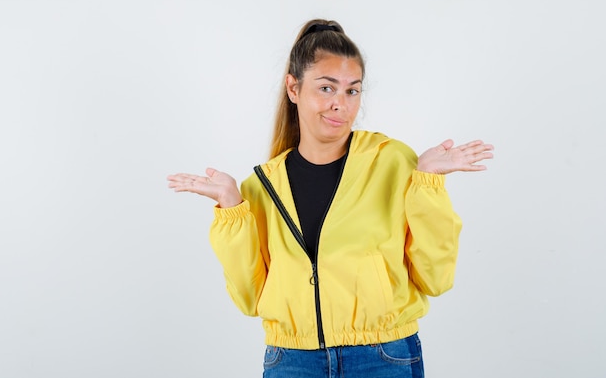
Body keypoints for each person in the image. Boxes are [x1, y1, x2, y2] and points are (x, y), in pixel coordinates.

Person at [167, 19, 494, 378]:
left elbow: (436, 278)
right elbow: (249, 298)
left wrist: (427, 184)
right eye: (326, 88)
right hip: (292, 361)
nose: (340, 104)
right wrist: (232, 206)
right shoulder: (261, 187)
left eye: (352, 91)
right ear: (294, 88)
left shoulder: (393, 162)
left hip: (382, 356)